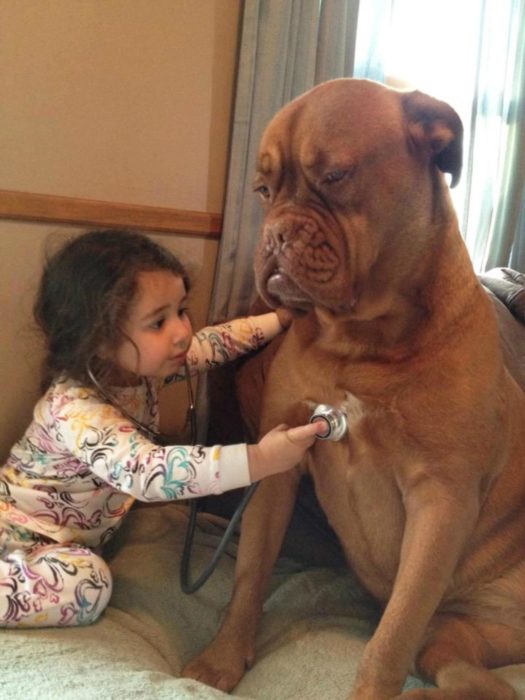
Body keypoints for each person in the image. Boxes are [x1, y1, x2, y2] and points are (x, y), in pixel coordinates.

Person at [0, 229, 321, 628]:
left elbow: (216, 342)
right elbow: (148, 472)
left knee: (84, 571)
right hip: (16, 535)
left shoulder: (146, 369)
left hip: (55, 546)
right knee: (90, 584)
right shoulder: (75, 408)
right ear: (98, 339)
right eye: (158, 322)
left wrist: (281, 319)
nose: (182, 331)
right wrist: (259, 459)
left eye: (181, 310)